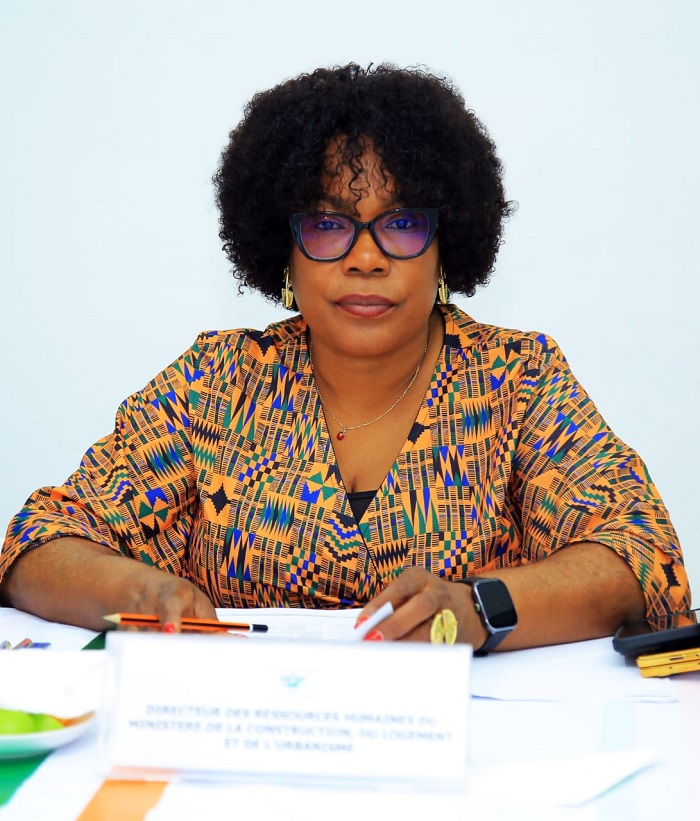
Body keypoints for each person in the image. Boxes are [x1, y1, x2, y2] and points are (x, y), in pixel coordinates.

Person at [0, 64, 690, 650]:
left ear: (447, 245)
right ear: (284, 248)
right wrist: (138, 592)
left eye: (402, 223)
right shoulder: (216, 383)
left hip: (472, 744)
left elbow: (641, 555)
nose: (366, 258)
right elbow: (37, 545)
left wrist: (477, 609)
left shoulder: (516, 378)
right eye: (329, 224)